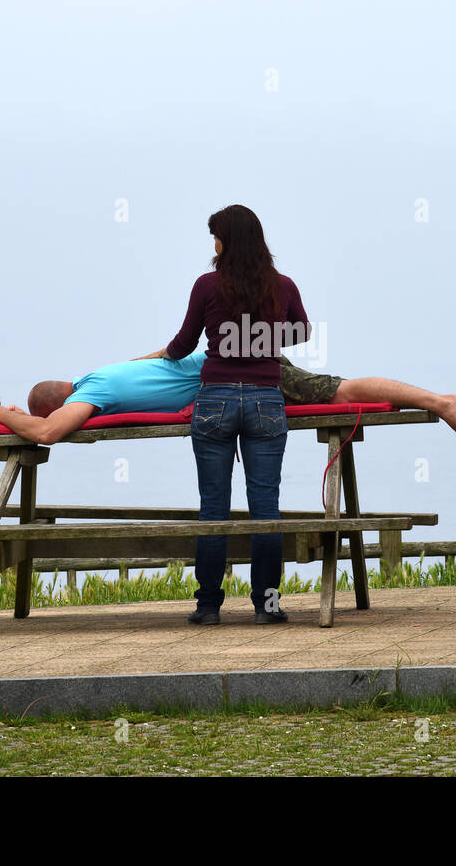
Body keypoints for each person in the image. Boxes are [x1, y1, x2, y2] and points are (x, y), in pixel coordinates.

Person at [144, 204, 307, 625]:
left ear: (226, 241)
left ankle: (209, 607)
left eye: (215, 236)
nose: (212, 244)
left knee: (213, 507)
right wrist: (261, 338)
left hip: (214, 400)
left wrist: (151, 361)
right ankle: (267, 607)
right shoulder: (283, 285)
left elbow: (182, 345)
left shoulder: (206, 285)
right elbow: (302, 331)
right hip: (266, 401)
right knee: (266, 507)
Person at [0, 351, 456, 453]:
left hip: (242, 373)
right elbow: (165, 352)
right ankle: (442, 399)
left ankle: (441, 401)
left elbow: (51, 433)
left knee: (344, 391)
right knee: (341, 387)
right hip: (231, 363)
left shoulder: (90, 393)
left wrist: (0, 417)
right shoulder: (101, 372)